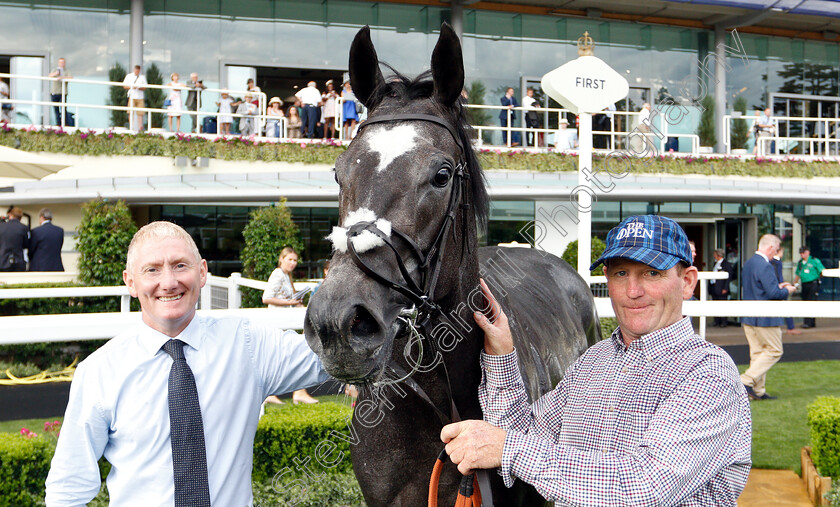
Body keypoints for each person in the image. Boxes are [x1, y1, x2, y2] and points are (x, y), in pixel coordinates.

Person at [440, 215, 751, 505]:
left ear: (687, 281)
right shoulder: (594, 361)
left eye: (652, 273)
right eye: (621, 273)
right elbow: (522, 433)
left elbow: (646, 485)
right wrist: (502, 353)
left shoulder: (708, 373)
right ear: (607, 279)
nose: (633, 290)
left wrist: (508, 449)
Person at [45, 222, 328, 505]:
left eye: (180, 266)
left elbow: (333, 355)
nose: (168, 282)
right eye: (152, 269)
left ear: (202, 272)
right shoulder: (99, 372)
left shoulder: (248, 345)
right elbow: (68, 489)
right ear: (130, 282)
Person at [740, 234, 796, 401]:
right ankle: (746, 380)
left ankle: (757, 391)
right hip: (765, 318)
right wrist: (788, 290)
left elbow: (760, 289)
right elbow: (773, 293)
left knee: (757, 353)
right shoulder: (765, 265)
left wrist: (778, 287)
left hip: (749, 317)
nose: (777, 254)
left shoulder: (749, 263)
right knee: (774, 350)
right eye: (777, 250)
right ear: (771, 247)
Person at [261, 246, 319, 405]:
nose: (293, 263)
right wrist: (289, 302)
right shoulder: (278, 274)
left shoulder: (286, 276)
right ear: (281, 259)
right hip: (278, 324)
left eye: (295, 260)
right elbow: (266, 298)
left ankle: (297, 392)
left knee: (289, 357)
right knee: (286, 357)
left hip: (285, 323)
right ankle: (280, 393)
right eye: (290, 259)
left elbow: (285, 299)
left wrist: (296, 303)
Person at [794, 246, 825, 329]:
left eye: (803, 253)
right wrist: (795, 284)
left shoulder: (814, 260)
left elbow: (822, 271)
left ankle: (809, 322)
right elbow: (797, 274)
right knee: (805, 302)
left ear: (808, 252)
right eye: (801, 253)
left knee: (811, 301)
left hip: (813, 283)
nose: (802, 255)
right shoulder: (800, 262)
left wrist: (817, 279)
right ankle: (808, 321)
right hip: (805, 284)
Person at [770, 247, 799, 335]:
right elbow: (779, 276)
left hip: (777, 286)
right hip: (779, 288)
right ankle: (790, 327)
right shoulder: (777, 262)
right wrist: (782, 284)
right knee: (786, 307)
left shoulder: (771, 262)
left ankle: (790, 327)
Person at [28, 208, 64, 272]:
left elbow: (31, 250)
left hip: (39, 266)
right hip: (56, 266)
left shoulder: (36, 231)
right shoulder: (60, 231)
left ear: (41, 217)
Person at [709, 248, 734, 327]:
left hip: (721, 288)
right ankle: (716, 321)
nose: (714, 256)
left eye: (715, 254)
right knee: (715, 304)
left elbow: (728, 278)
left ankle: (724, 321)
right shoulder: (715, 263)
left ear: (719, 255)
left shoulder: (726, 264)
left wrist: (725, 288)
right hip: (714, 287)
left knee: (722, 305)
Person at [0, 206, 29, 272]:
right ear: (20, 217)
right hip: (18, 262)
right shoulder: (24, 228)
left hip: (2, 261)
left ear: (10, 215)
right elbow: (26, 245)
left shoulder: (1, 226)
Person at [48, 57, 73, 126]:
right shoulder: (55, 70)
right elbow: (49, 76)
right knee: (56, 110)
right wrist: (56, 74)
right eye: (60, 62)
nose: (62, 63)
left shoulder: (67, 71)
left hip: (63, 93)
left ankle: (64, 124)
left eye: (63, 62)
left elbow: (71, 77)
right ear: (58, 63)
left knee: (63, 109)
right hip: (54, 92)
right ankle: (58, 124)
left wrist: (63, 77)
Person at [123, 65, 148, 132]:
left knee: (140, 113)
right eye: (136, 70)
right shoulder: (129, 76)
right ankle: (132, 126)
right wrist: (132, 87)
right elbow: (124, 86)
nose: (137, 71)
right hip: (132, 96)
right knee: (130, 112)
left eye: (138, 70)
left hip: (140, 97)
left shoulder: (142, 77)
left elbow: (145, 87)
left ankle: (140, 127)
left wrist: (139, 88)